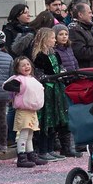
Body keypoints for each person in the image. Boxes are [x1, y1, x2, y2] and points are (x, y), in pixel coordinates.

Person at [32, 27, 74, 159]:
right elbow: (39, 75)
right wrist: (51, 78)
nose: (54, 40)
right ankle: (43, 150)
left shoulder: (55, 54)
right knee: (46, 119)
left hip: (57, 89)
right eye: (52, 38)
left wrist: (63, 74)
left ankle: (50, 148)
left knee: (55, 119)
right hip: (47, 90)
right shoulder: (40, 56)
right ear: (45, 39)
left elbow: (60, 68)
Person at [4, 57, 46, 168]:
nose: (26, 67)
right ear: (17, 68)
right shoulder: (19, 79)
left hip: (32, 110)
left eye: (28, 64)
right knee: (23, 134)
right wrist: (19, 89)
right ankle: (21, 156)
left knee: (30, 134)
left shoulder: (31, 78)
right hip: (23, 111)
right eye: (23, 65)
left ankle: (30, 154)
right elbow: (7, 86)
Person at [69, 1, 93, 69]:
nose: (92, 15)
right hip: (86, 71)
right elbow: (80, 52)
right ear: (80, 15)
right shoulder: (74, 29)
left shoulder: (91, 27)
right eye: (89, 13)